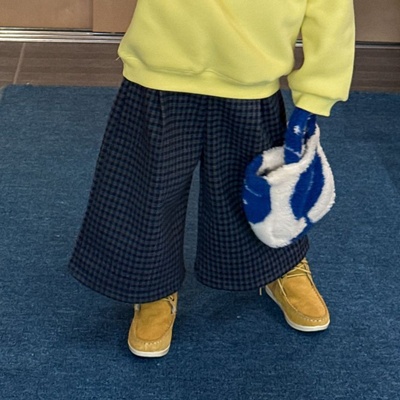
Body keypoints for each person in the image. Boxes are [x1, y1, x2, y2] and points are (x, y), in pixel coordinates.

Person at [69, 0, 355, 358]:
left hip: (252, 69)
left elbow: (332, 8)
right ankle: (151, 286)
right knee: (146, 190)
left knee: (257, 192)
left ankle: (278, 266)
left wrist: (318, 90)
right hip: (162, 60)